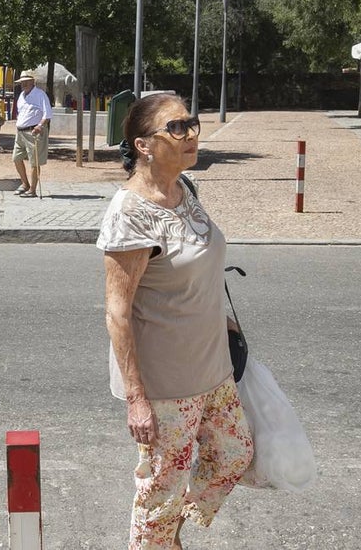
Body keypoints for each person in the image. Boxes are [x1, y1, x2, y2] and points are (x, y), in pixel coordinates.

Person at [96, 93, 252, 550]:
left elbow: (194, 269)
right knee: (158, 496)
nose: (192, 135)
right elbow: (117, 311)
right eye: (177, 128)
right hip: (167, 386)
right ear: (144, 145)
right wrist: (136, 399)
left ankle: (170, 536)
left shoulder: (186, 190)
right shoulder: (132, 214)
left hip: (213, 368)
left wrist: (221, 319)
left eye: (192, 123)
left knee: (234, 453)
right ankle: (158, 541)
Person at [11, 71, 51, 197]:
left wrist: (40, 125)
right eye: (22, 82)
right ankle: (25, 184)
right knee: (16, 158)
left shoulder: (40, 94)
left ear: (33, 82)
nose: (24, 84)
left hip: (33, 131)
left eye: (27, 81)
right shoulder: (22, 95)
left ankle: (32, 190)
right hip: (20, 132)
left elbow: (47, 113)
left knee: (34, 162)